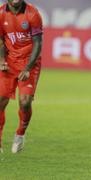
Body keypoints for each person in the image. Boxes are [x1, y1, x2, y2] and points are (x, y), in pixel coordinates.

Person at [0, 0, 42, 154]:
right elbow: (0, 39)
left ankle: (20, 134)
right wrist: (2, 60)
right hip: (9, 62)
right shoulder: (1, 13)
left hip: (29, 62)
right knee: (1, 100)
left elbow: (38, 43)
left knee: (25, 102)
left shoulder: (32, 13)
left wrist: (28, 68)